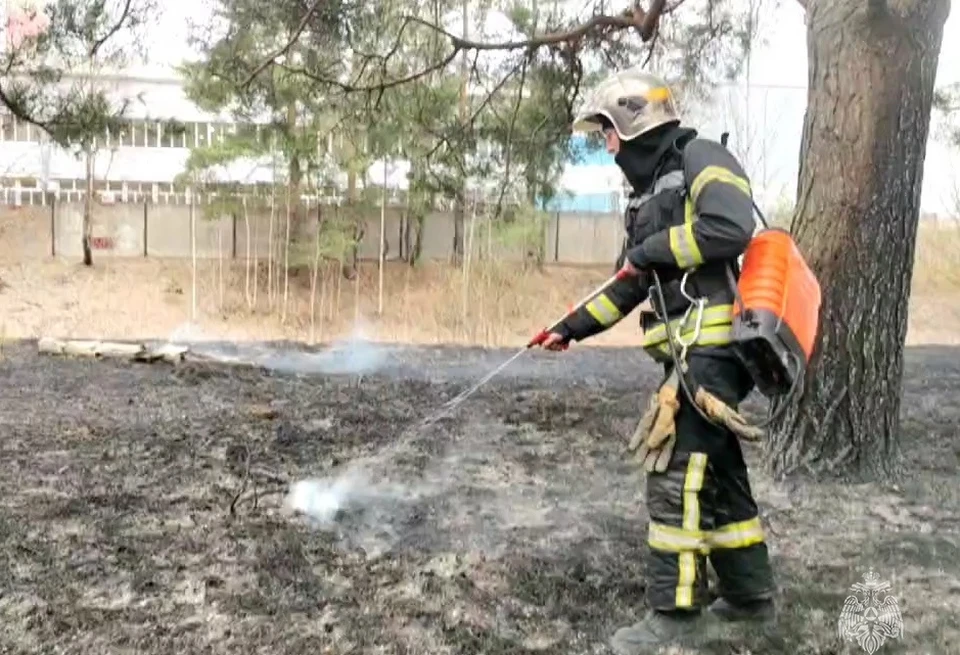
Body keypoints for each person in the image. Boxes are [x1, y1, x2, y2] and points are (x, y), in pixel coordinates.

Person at [529, 67, 776, 654]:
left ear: (635, 121)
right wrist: (569, 329)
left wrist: (652, 247)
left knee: (674, 473)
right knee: (716, 471)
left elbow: (728, 228)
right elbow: (630, 281)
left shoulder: (702, 157)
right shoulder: (645, 196)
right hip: (689, 357)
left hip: (717, 350)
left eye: (608, 131)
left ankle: (676, 615)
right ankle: (748, 600)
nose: (607, 145)